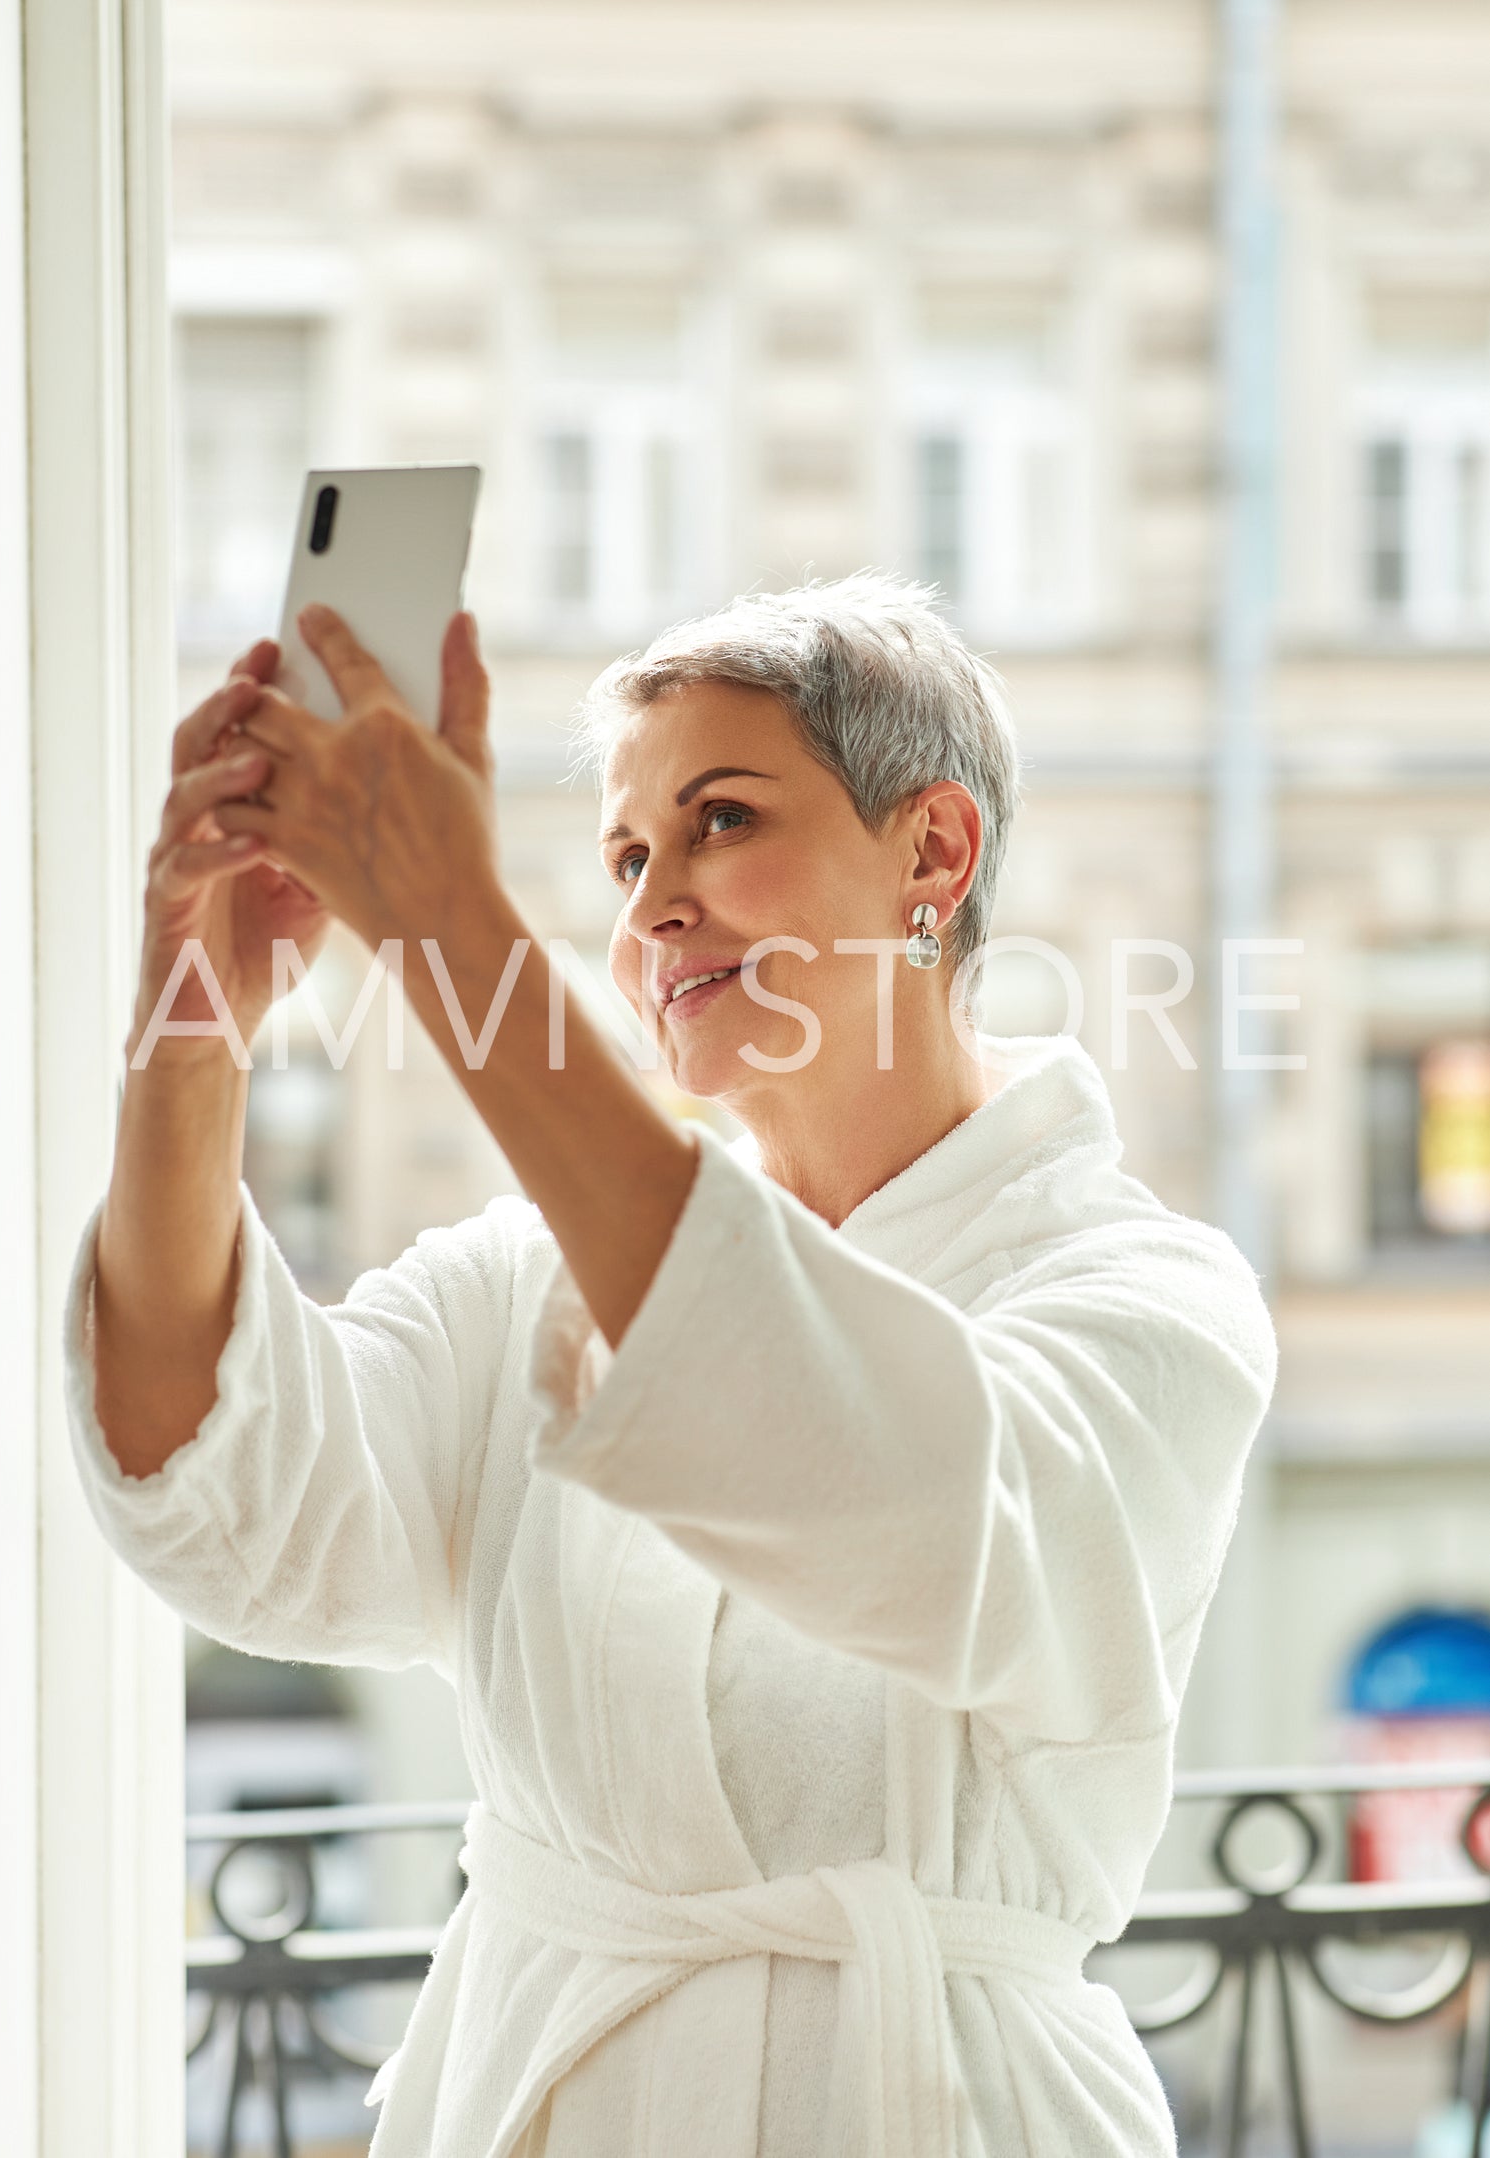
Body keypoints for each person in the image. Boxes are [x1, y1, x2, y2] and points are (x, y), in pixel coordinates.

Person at [64, 573, 1276, 2158]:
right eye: (628, 856)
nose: (647, 911)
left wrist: (449, 930)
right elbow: (220, 1488)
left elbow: (899, 1503)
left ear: (933, 851)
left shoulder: (1150, 1302)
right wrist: (193, 1025)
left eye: (718, 821)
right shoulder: (528, 1280)